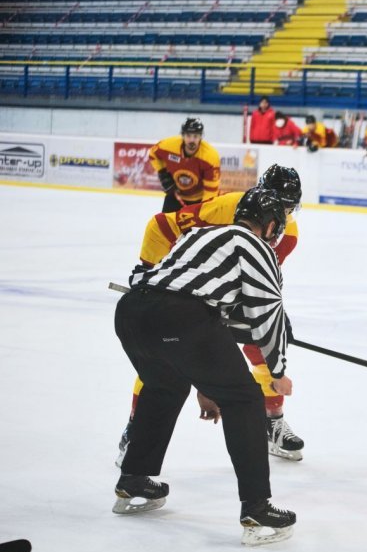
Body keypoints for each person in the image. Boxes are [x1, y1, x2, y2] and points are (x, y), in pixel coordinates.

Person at [113, 187, 296, 545]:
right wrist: (277, 371)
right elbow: (266, 313)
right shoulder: (255, 245)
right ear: (271, 224)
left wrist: (207, 385)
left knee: (164, 386)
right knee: (244, 398)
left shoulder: (199, 234)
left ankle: (133, 478)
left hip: (133, 313)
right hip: (181, 319)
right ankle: (257, 508)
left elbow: (205, 322)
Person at [118, 164, 305, 466]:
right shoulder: (227, 206)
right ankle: (135, 429)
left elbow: (258, 284)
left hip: (220, 289)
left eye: (287, 207)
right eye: (277, 205)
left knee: (263, 345)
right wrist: (148, 270)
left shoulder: (288, 234)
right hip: (184, 291)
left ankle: (272, 421)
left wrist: (271, 323)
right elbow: (161, 226)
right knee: (163, 358)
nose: (281, 216)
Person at [148, 117, 221, 213]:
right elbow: (153, 154)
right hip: (175, 196)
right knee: (164, 226)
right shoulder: (168, 146)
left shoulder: (210, 157)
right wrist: (163, 173)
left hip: (199, 200)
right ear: (182, 135)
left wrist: (203, 210)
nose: (192, 140)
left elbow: (211, 191)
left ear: (201, 137)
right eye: (188, 135)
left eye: (195, 136)